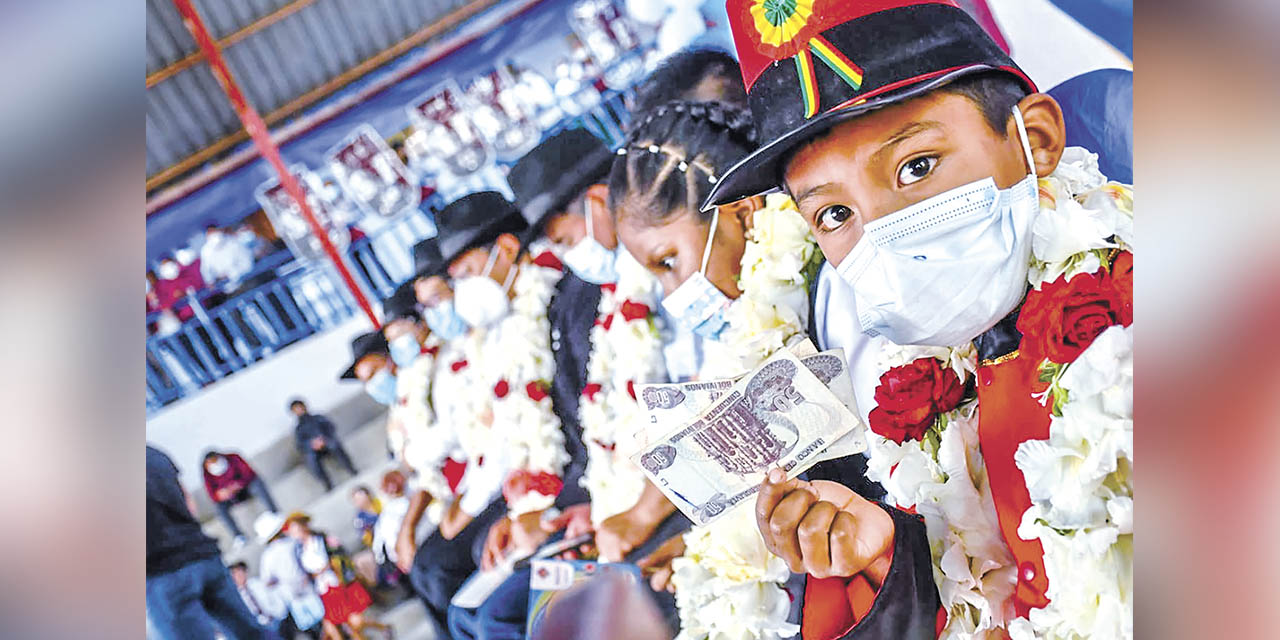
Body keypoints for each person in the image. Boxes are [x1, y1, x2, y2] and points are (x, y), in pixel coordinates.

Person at [704, 2, 1134, 638]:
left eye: (916, 167)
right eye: (833, 215)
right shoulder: (922, 386)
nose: (879, 230)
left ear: (1034, 139)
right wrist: (886, 553)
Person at [447, 128, 680, 640]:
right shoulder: (587, 291)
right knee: (490, 615)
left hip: (665, 501)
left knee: (522, 621)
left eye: (565, 240)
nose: (564, 256)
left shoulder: (658, 268)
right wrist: (570, 508)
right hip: (609, 497)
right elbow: (590, 428)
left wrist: (578, 510)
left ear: (599, 203)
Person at [146, 445, 270, 639]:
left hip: (161, 571)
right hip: (202, 553)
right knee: (254, 634)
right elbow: (189, 503)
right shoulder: (152, 453)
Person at [285, 512, 391, 640]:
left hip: (339, 582)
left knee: (355, 622)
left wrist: (331, 567)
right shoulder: (298, 550)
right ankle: (381, 628)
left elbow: (340, 555)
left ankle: (382, 627)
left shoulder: (321, 539)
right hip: (324, 588)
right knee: (349, 625)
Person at [256, 513, 325, 640]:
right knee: (324, 621)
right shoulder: (292, 542)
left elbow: (266, 581)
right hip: (308, 586)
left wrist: (280, 580)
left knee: (311, 629)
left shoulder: (267, 556)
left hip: (291, 595)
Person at [201, 450, 279, 548]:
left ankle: (275, 513)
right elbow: (213, 495)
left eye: (214, 461)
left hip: (245, 489)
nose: (213, 464)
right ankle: (238, 536)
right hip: (230, 499)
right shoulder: (207, 474)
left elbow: (249, 474)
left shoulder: (233, 458)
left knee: (257, 484)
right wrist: (222, 494)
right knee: (219, 508)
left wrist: (237, 485)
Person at [289, 399, 359, 492]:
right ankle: (327, 483)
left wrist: (323, 439)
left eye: (300, 407)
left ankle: (351, 469)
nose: (299, 410)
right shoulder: (298, 429)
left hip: (326, 442)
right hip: (314, 450)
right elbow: (300, 444)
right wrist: (312, 444)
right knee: (310, 459)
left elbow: (331, 427)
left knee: (334, 445)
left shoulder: (318, 418)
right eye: (296, 409)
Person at [229, 561, 290, 635]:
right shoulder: (237, 597)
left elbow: (275, 596)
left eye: (241, 571)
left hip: (279, 619)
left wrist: (280, 614)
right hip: (262, 629)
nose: (239, 575)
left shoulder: (258, 583)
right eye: (235, 573)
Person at [200, 223, 256, 288]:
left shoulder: (233, 243)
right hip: (226, 290)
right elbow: (205, 270)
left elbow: (248, 265)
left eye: (214, 231)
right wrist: (210, 281)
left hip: (245, 283)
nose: (213, 236)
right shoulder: (205, 250)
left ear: (219, 231)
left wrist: (230, 273)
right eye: (210, 233)